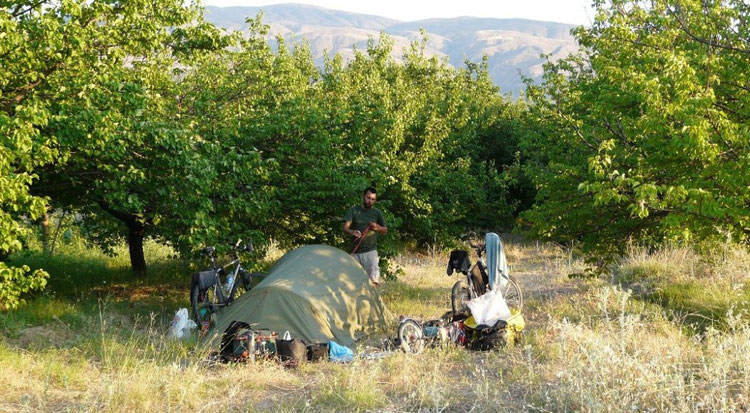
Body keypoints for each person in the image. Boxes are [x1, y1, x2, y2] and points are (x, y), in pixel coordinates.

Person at [343, 187, 388, 286]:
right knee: (352, 282)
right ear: (363, 196)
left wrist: (377, 228)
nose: (370, 201)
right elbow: (345, 228)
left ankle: (371, 301)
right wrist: (352, 231)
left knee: (373, 282)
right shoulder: (353, 211)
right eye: (368, 198)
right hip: (355, 252)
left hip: (371, 252)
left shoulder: (377, 212)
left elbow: (385, 230)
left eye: (373, 199)